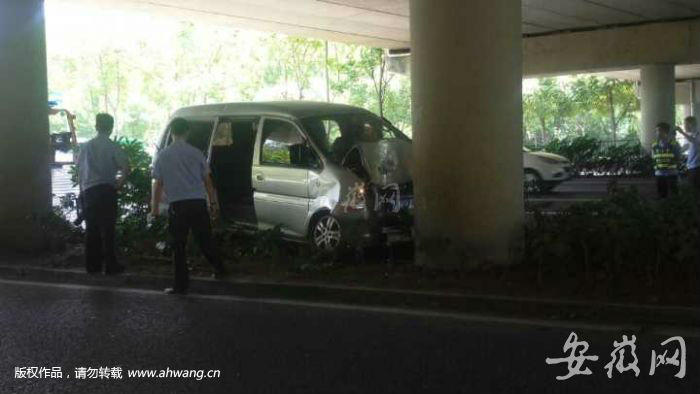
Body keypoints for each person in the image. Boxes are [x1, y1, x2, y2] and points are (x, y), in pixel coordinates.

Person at [151, 118, 226, 295]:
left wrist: (154, 208)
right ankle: (220, 269)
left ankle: (180, 285)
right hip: (198, 203)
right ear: (187, 132)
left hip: (178, 205)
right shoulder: (196, 153)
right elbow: (208, 181)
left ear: (172, 132)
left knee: (178, 246)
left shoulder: (163, 155)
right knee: (205, 239)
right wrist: (213, 203)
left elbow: (158, 184)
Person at [77, 113, 130, 274]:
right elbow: (126, 168)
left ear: (96, 126)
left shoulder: (85, 147)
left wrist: (82, 192)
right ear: (111, 128)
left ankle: (92, 266)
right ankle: (111, 266)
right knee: (108, 229)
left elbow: (80, 171)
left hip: (89, 191)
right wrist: (118, 185)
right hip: (107, 190)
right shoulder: (113, 146)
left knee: (91, 229)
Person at [651, 122, 682, 199]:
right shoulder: (654, 144)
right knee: (662, 196)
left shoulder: (674, 144)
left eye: (659, 130)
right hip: (659, 174)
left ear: (665, 131)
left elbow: (678, 158)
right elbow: (653, 158)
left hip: (671, 174)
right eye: (656, 131)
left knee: (674, 195)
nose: (657, 133)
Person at [675, 116, 700, 192]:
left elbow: (694, 141)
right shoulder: (690, 135)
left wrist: (682, 132)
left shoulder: (698, 134)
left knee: (696, 189)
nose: (684, 126)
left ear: (690, 124)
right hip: (691, 166)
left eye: (685, 124)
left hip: (697, 166)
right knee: (692, 188)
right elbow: (686, 147)